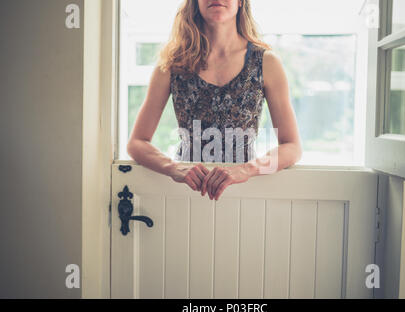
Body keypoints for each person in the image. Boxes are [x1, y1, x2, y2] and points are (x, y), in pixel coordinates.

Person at [127, 0, 302, 201]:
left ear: (240, 2)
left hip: (245, 194)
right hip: (184, 196)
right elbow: (137, 143)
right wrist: (174, 168)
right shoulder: (172, 64)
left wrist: (246, 170)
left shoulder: (266, 62)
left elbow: (292, 146)